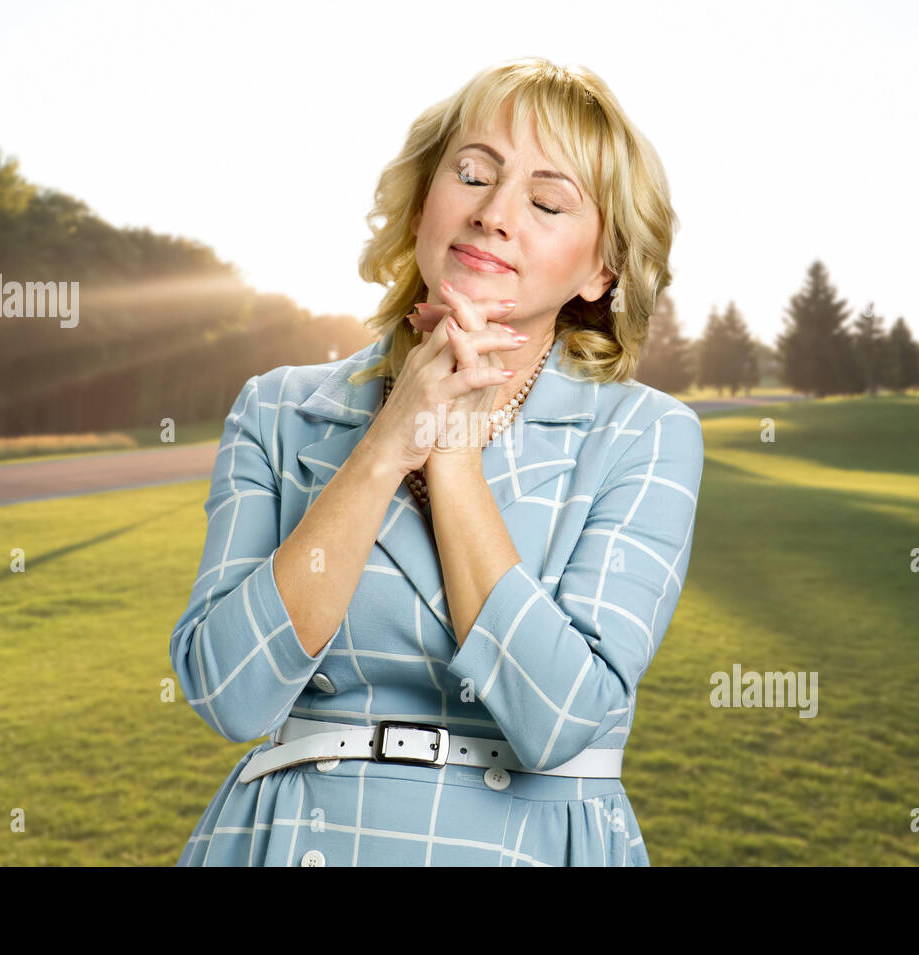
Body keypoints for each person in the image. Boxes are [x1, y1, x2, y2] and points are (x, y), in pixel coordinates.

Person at [169, 57, 704, 866]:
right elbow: (227, 691)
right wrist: (386, 446)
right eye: (473, 173)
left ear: (602, 270)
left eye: (548, 200)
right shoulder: (279, 410)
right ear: (425, 199)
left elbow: (557, 720)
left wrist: (451, 453)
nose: (494, 214)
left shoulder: (646, 436)